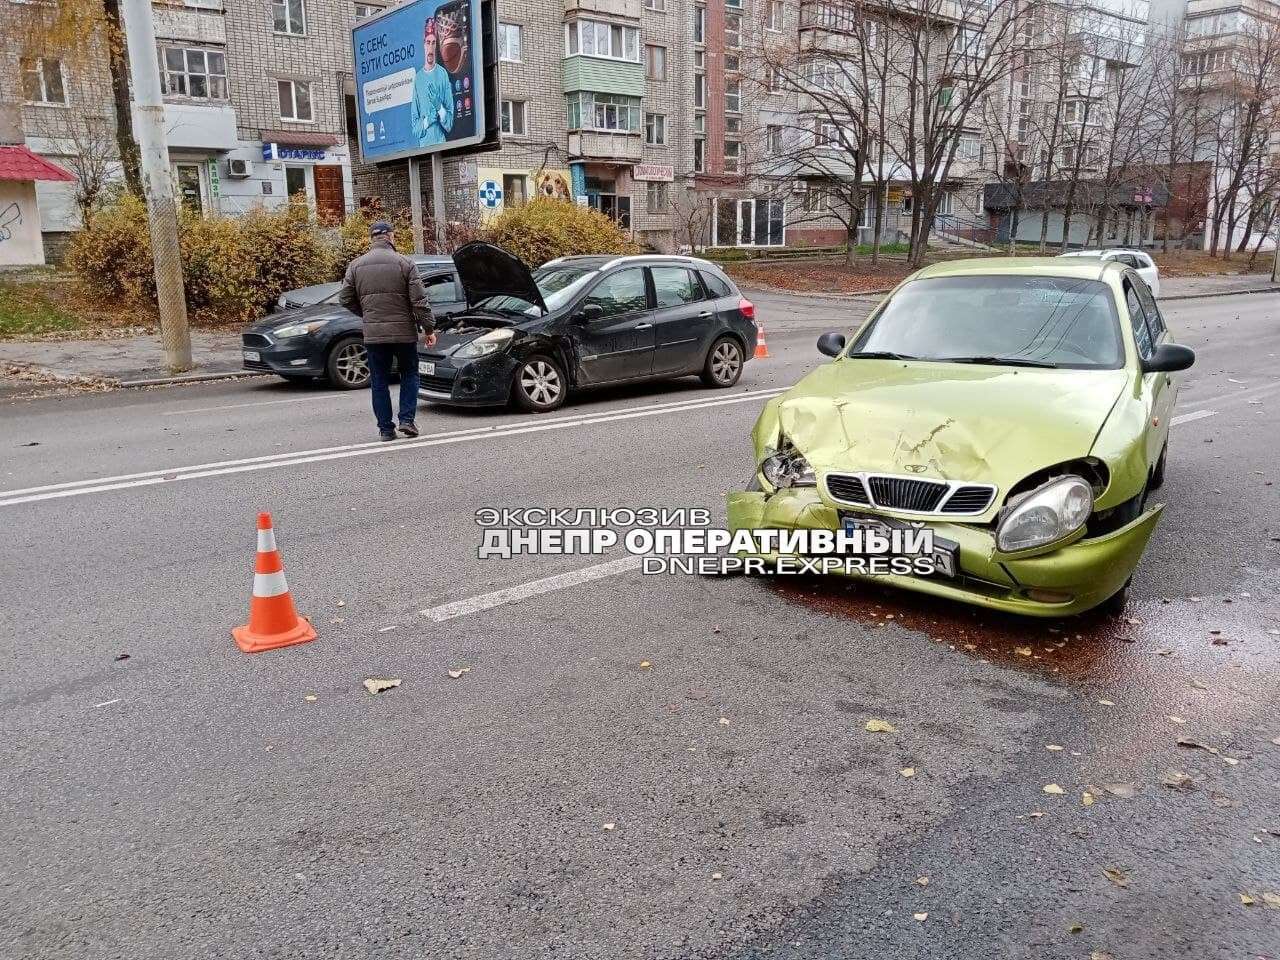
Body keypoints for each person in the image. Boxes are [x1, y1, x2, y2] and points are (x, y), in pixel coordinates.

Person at [338, 221, 436, 441]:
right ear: (391, 237)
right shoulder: (405, 263)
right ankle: (407, 420)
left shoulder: (356, 265)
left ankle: (385, 429)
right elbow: (419, 301)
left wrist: (367, 314)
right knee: (409, 374)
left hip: (374, 335)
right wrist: (429, 328)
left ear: (372, 239)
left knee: (379, 380)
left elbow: (344, 298)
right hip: (404, 333)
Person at [411, 17, 454, 146]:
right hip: (423, 149)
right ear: (424, 44)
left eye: (434, 42)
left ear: (437, 45)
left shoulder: (442, 74)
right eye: (428, 42)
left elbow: (449, 124)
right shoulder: (418, 78)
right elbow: (415, 129)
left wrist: (439, 107)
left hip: (441, 145)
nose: (430, 47)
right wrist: (428, 120)